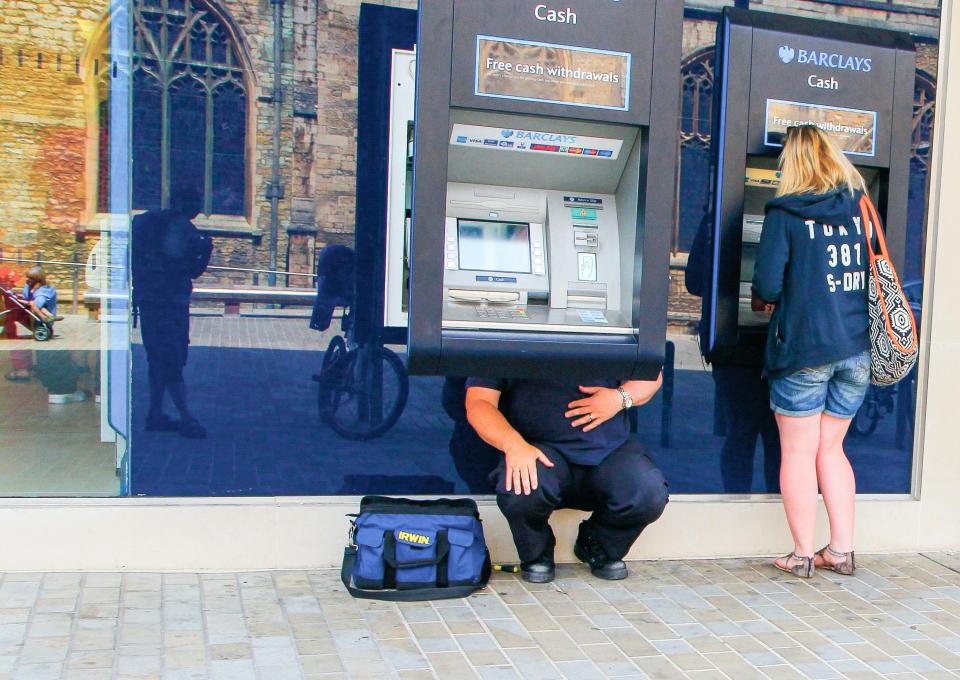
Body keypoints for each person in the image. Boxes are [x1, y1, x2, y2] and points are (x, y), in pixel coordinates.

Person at [752, 125, 873, 578]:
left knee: (800, 454)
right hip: (857, 350)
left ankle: (801, 554)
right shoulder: (861, 207)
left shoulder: (784, 213)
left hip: (804, 350)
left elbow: (765, 285)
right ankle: (841, 551)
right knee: (833, 450)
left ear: (793, 163)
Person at [465, 375, 668, 583]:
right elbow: (479, 401)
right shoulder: (507, 341)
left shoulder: (617, 340)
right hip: (538, 449)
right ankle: (537, 553)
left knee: (648, 492)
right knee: (521, 488)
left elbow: (652, 376)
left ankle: (597, 544)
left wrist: (620, 397)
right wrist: (513, 445)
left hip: (609, 450)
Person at [685, 215, 782, 493]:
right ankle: (774, 510)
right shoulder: (790, 219)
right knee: (779, 438)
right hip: (772, 346)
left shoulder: (714, 221)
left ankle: (736, 502)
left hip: (734, 346)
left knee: (741, 433)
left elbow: (694, 280)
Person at [132, 188, 213, 439]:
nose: (198, 208)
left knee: (157, 359)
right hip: (170, 303)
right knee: (172, 359)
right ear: (180, 202)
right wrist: (205, 251)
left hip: (149, 300)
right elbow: (187, 270)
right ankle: (186, 417)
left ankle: (155, 413)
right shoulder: (181, 230)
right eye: (194, 202)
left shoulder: (151, 225)